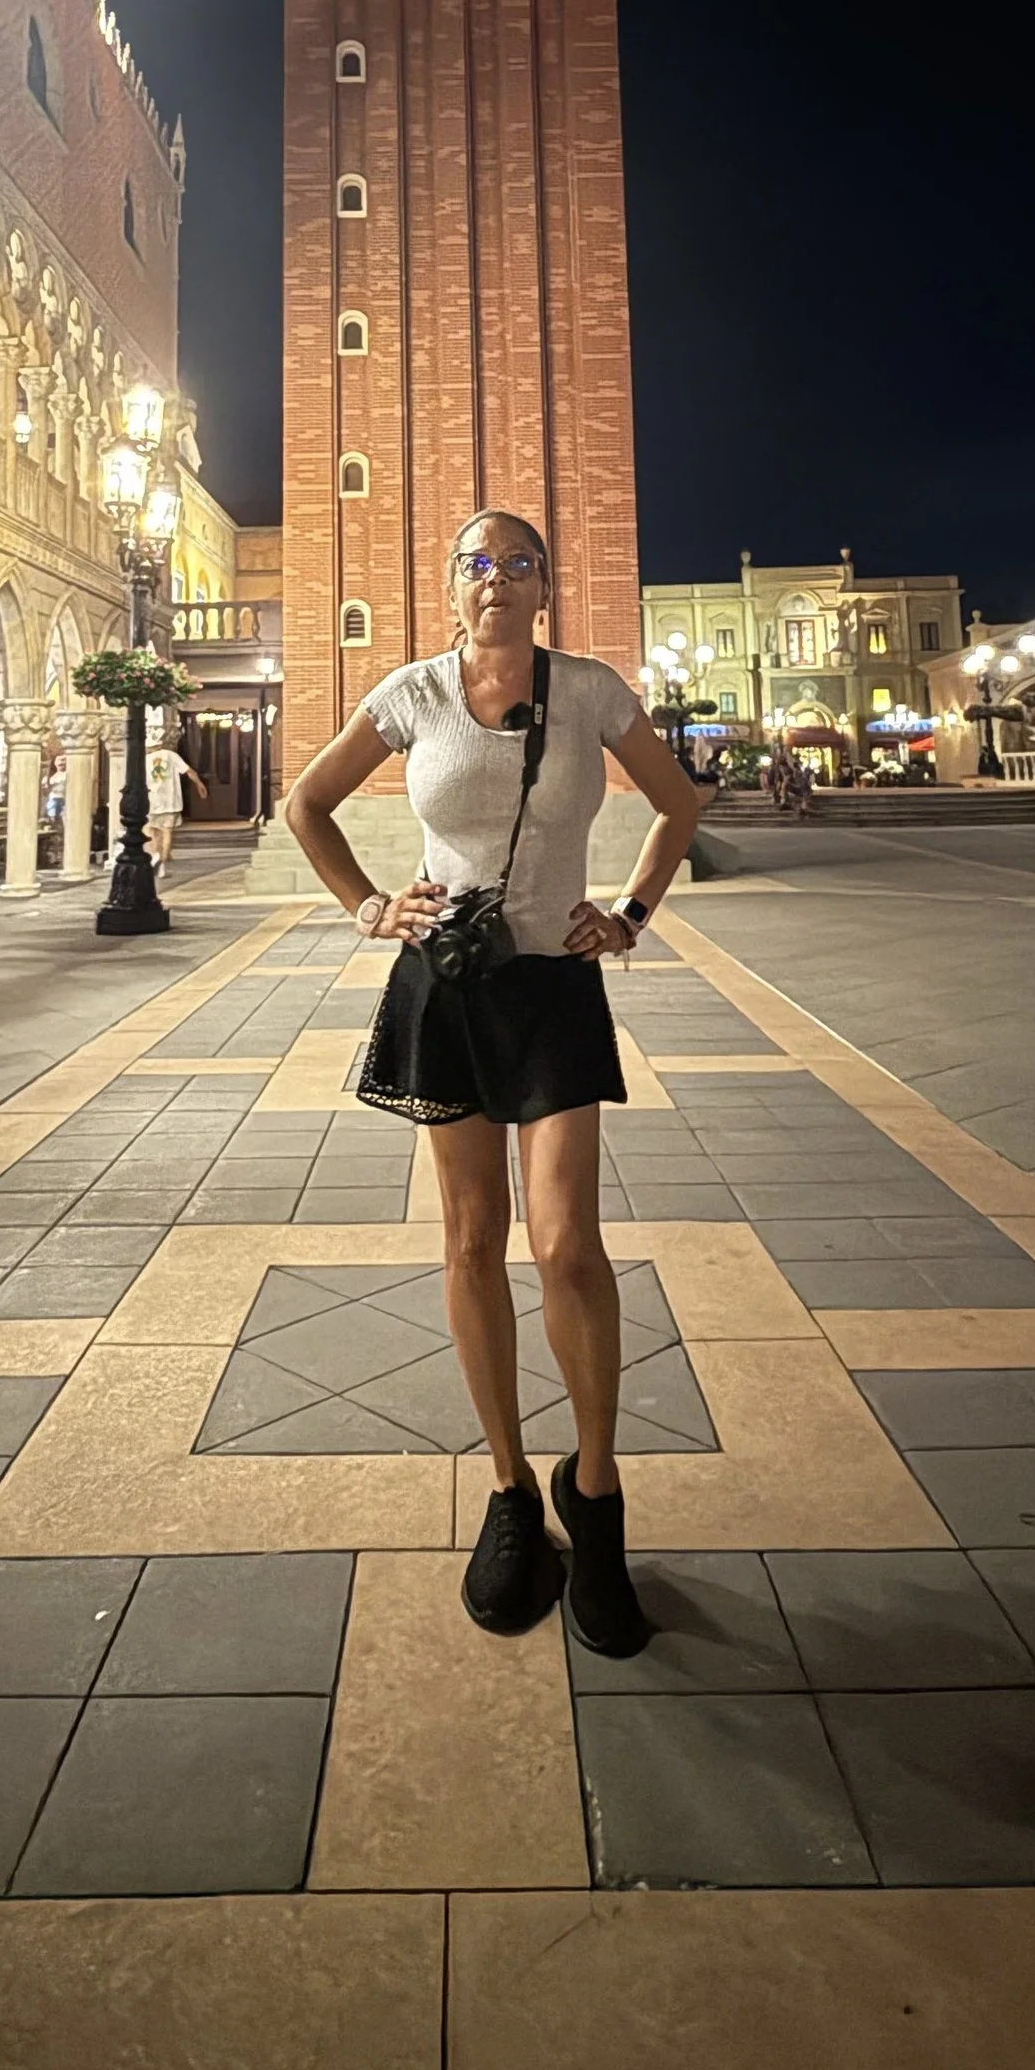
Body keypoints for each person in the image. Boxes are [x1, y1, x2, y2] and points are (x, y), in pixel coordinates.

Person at [284, 510, 702, 1653]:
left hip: (553, 990)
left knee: (567, 1245)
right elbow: (305, 805)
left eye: (519, 564)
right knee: (472, 1241)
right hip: (447, 989)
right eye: (478, 564)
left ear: (547, 587)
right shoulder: (410, 693)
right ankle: (513, 1490)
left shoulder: (592, 692)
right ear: (451, 586)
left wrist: (630, 914)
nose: (498, 580)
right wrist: (372, 906)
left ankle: (597, 1495)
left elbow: (679, 802)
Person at [142, 729, 207, 872]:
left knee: (151, 830)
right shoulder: (171, 755)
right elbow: (189, 771)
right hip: (170, 800)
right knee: (167, 832)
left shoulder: (144, 760)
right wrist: (200, 784)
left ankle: (154, 855)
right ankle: (163, 864)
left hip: (152, 800)